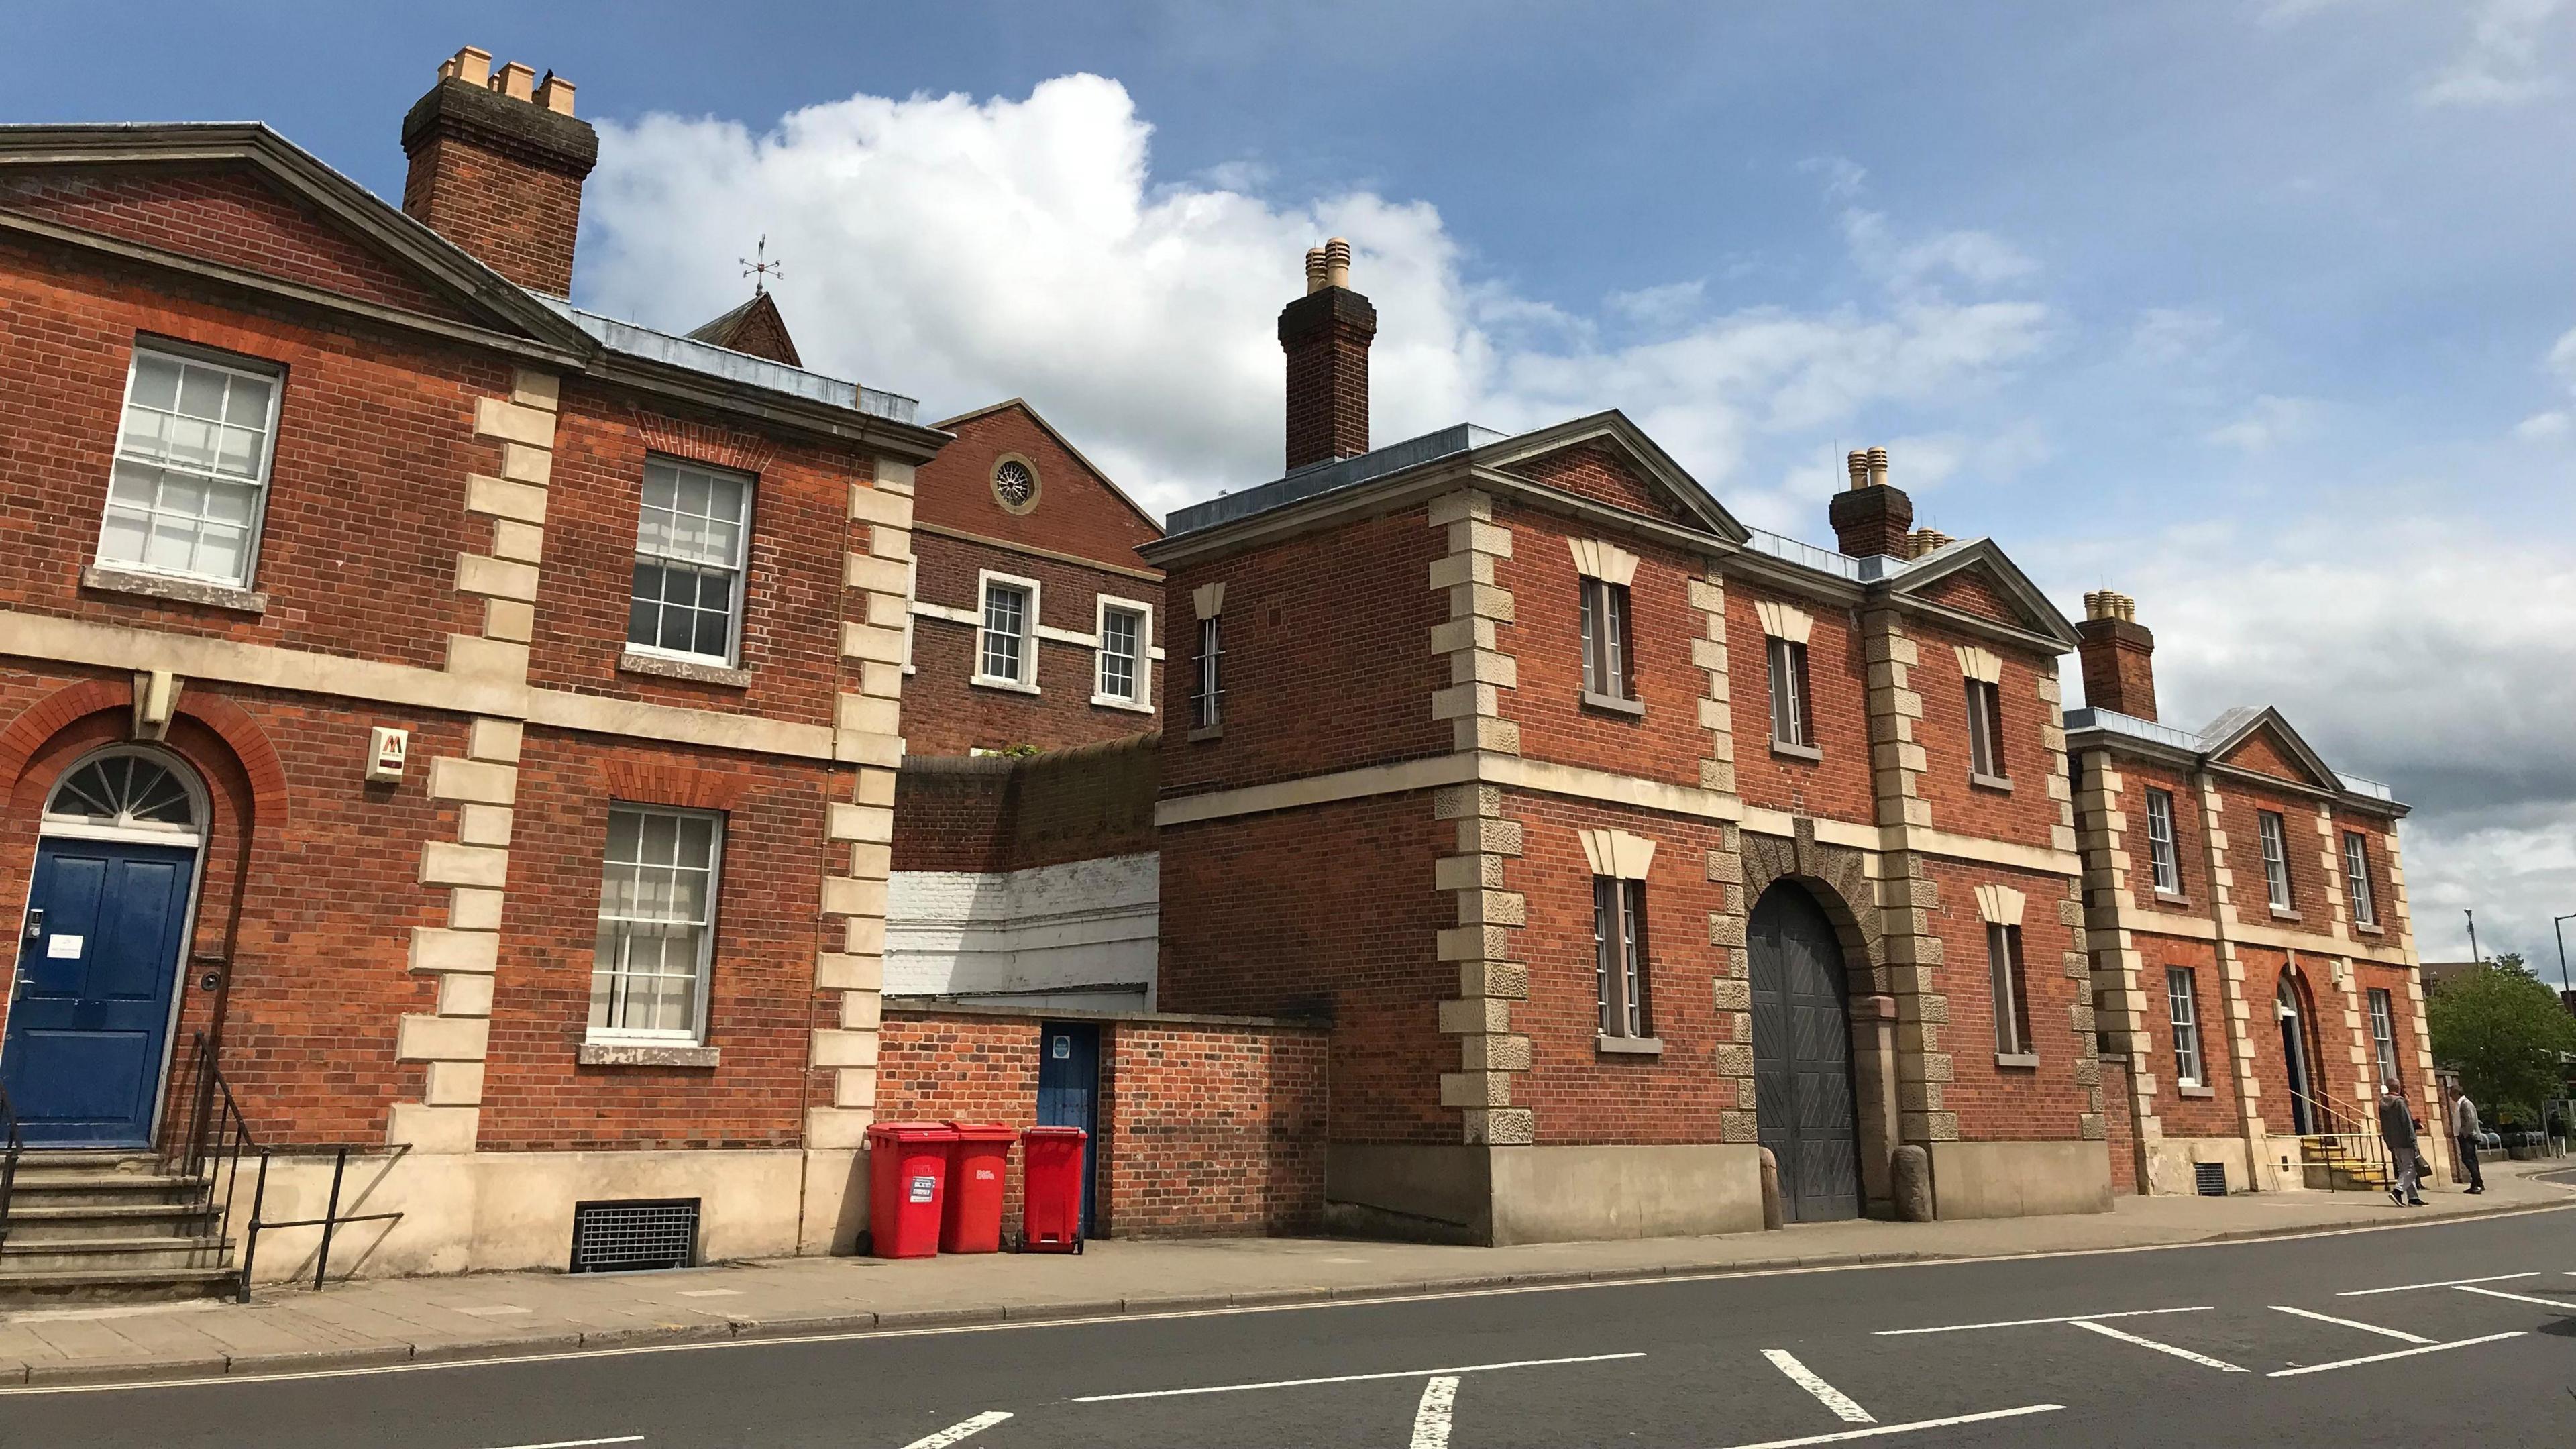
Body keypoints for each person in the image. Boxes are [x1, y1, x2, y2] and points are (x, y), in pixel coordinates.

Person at [2379, 1084, 2424, 1205]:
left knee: (2404, 1169)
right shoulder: (2400, 1103)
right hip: (2405, 1141)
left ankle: (2413, 1198)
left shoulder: (2382, 1105)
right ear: (2398, 1088)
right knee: (2411, 1169)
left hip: (2394, 1142)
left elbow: (2384, 1125)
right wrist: (2413, 1141)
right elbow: (2406, 1124)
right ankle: (2397, 1191)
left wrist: (2388, 1141)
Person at [2451, 1086, 2487, 1195]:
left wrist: (2465, 1134)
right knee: (2471, 1160)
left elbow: (2470, 1121)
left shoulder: (2466, 1104)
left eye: (2452, 1093)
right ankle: (2477, 1184)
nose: (2450, 1096)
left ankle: (2478, 1184)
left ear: (2457, 1093)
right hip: (2464, 1136)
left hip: (2468, 1137)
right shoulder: (2460, 1104)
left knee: (2468, 1160)